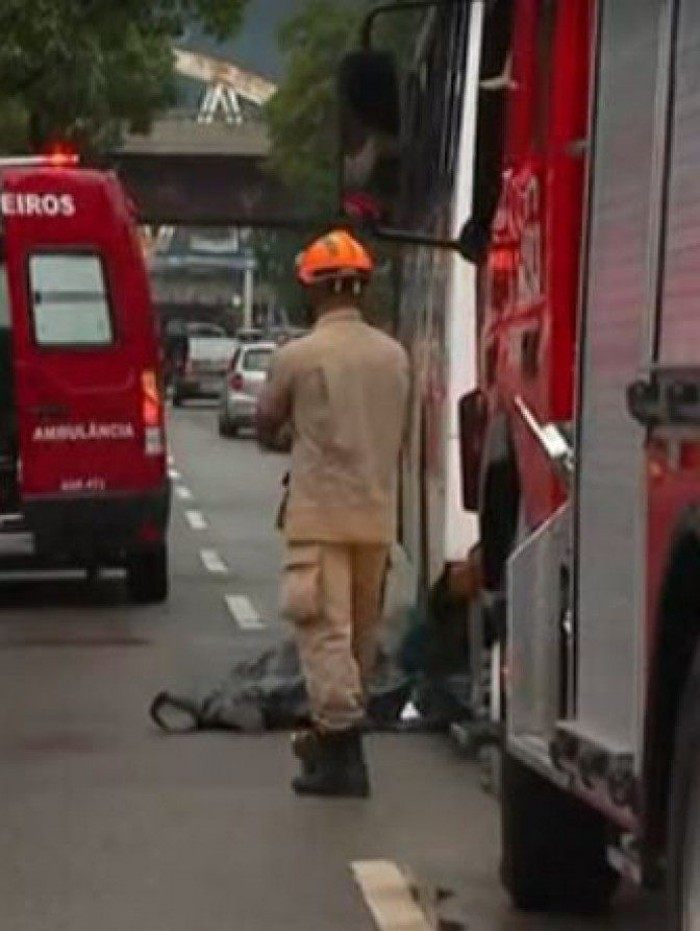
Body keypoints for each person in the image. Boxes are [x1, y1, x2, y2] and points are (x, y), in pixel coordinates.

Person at [256, 230, 410, 798]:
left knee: (323, 635)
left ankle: (342, 756)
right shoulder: (394, 356)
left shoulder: (299, 356)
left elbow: (267, 423)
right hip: (376, 517)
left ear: (313, 292)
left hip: (319, 517)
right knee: (358, 643)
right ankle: (335, 747)